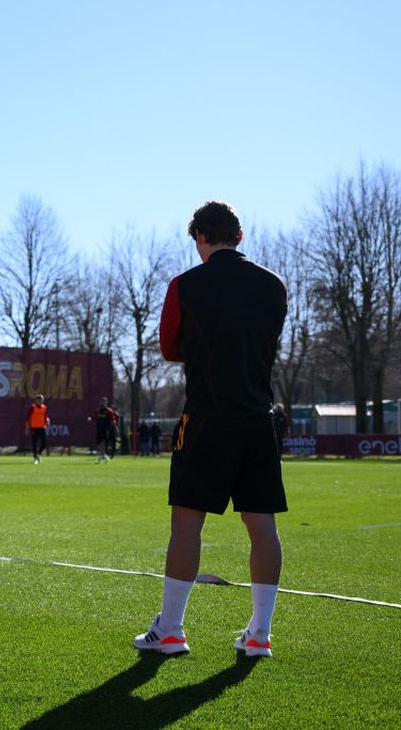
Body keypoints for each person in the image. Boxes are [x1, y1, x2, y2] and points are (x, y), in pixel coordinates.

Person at [133, 201, 287, 658]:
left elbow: (169, 348)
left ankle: (173, 630)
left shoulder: (185, 284)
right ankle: (260, 634)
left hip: (206, 418)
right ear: (239, 236)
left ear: (199, 236)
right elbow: (261, 343)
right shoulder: (273, 285)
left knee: (186, 524)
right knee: (262, 526)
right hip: (258, 420)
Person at [88, 397, 116, 463]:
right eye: (102, 401)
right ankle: (103, 454)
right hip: (99, 429)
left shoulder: (109, 411)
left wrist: (113, 427)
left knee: (103, 441)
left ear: (106, 402)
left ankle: (102, 454)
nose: (103, 403)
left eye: (104, 401)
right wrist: (90, 418)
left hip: (106, 429)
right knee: (98, 442)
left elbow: (113, 420)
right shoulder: (98, 411)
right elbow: (94, 417)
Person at [26, 394, 50, 464]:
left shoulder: (44, 408)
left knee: (44, 443)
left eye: (41, 399)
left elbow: (46, 416)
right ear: (35, 400)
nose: (40, 401)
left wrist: (47, 420)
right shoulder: (32, 407)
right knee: (34, 443)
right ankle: (35, 458)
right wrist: (27, 427)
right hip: (34, 428)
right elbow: (27, 417)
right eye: (38, 400)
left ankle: (38, 454)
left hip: (42, 427)